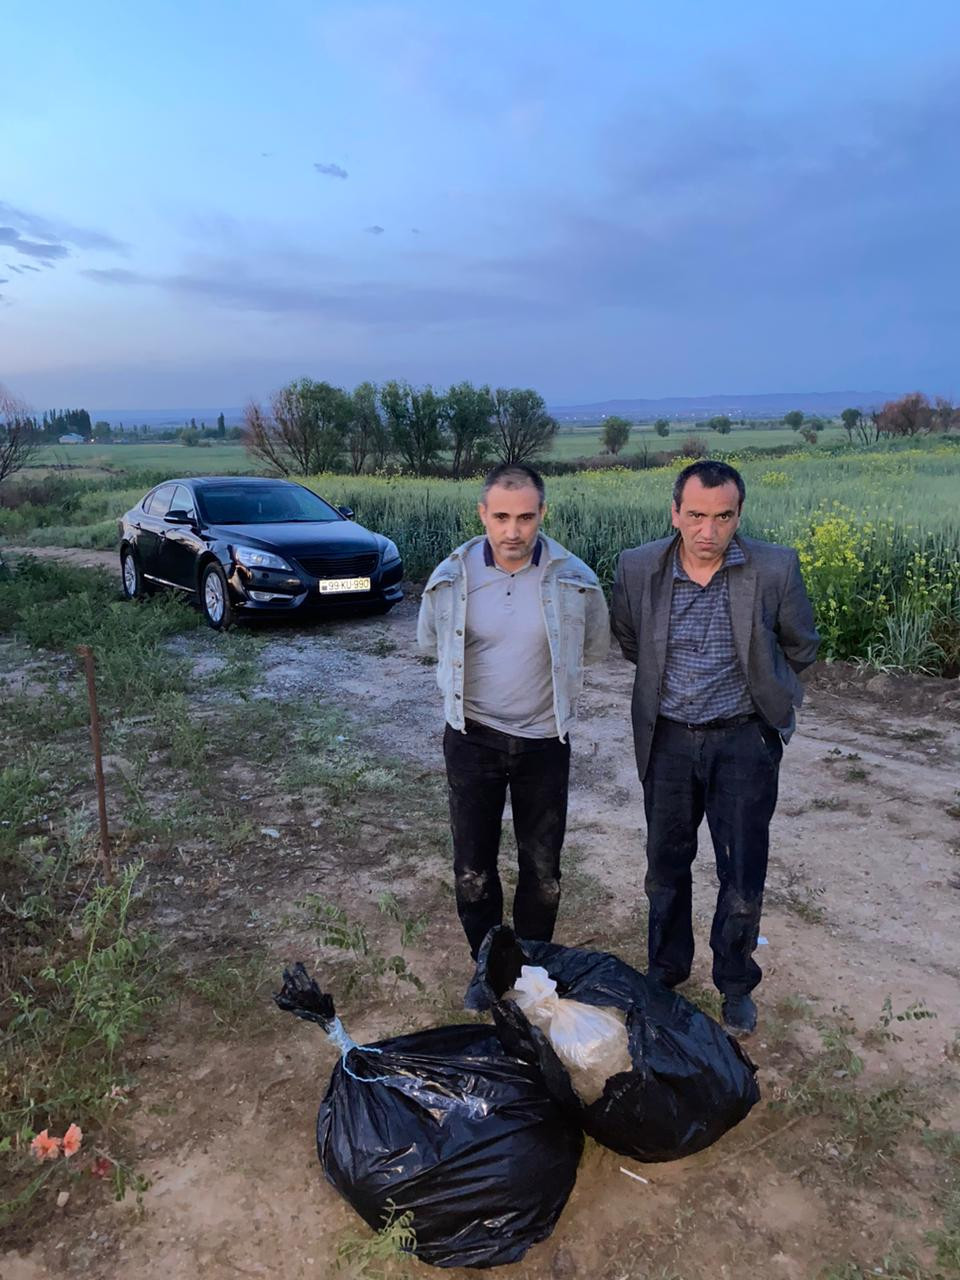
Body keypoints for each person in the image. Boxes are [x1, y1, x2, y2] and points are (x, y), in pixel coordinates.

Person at [611, 459, 819, 1036]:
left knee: (742, 869)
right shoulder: (638, 568)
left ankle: (735, 981)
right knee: (665, 867)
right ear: (675, 513)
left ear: (738, 516)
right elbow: (630, 640)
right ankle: (665, 972)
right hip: (668, 741)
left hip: (744, 741)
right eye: (696, 515)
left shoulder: (774, 568)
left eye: (723, 517)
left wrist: (771, 701)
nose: (709, 531)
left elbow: (801, 646)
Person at [418, 463, 610, 1008]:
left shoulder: (575, 579)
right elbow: (431, 641)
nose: (513, 531)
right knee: (473, 870)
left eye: (525, 517)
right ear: (482, 514)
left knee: (542, 870)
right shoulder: (450, 577)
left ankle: (530, 969)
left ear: (542, 513)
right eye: (501, 517)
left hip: (545, 744)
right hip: (472, 740)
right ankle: (487, 968)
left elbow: (593, 648)